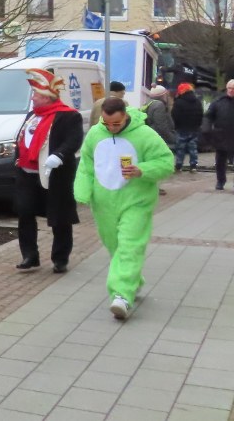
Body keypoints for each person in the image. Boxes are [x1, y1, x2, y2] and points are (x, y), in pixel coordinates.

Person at [75, 98, 174, 319]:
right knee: (115, 246)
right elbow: (87, 163)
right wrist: (82, 191)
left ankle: (121, 295)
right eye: (107, 123)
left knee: (129, 245)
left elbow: (167, 162)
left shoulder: (145, 135)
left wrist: (142, 170)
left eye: (116, 124)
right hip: (104, 203)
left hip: (136, 201)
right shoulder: (94, 134)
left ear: (125, 115)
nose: (111, 128)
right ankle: (133, 279)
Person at [13, 69, 83, 274]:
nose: (33, 98)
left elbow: (73, 140)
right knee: (25, 212)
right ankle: (29, 255)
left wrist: (59, 155)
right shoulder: (32, 116)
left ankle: (60, 258)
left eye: (36, 94)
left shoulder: (69, 116)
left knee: (59, 216)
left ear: (48, 97)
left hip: (55, 174)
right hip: (27, 172)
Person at [205, 79, 234, 190]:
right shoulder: (218, 102)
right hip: (222, 136)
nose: (231, 91)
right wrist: (206, 128)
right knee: (220, 162)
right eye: (229, 88)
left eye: (233, 89)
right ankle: (220, 181)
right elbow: (208, 116)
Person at [172, 82, 202, 173]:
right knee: (193, 147)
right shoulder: (197, 101)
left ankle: (179, 166)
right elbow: (200, 115)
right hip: (194, 128)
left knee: (180, 148)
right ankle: (193, 166)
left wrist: (177, 126)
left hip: (181, 128)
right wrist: (197, 125)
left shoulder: (178, 102)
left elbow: (174, 115)